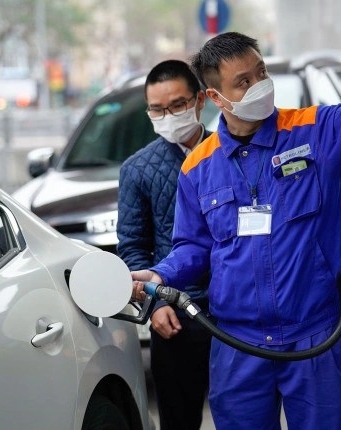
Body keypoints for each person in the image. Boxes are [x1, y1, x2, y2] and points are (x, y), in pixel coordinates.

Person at [131, 8, 341, 430]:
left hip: (314, 336)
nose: (259, 85)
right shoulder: (197, 167)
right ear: (215, 98)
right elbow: (194, 247)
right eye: (243, 82)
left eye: (261, 73)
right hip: (239, 346)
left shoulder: (314, 131)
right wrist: (161, 275)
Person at [117, 59, 212, 430]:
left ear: (200, 100)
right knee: (178, 417)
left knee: (245, 413)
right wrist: (154, 304)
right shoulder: (137, 169)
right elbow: (133, 246)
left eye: (177, 105)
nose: (168, 116)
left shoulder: (230, 150)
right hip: (174, 310)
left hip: (236, 308)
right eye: (157, 109)